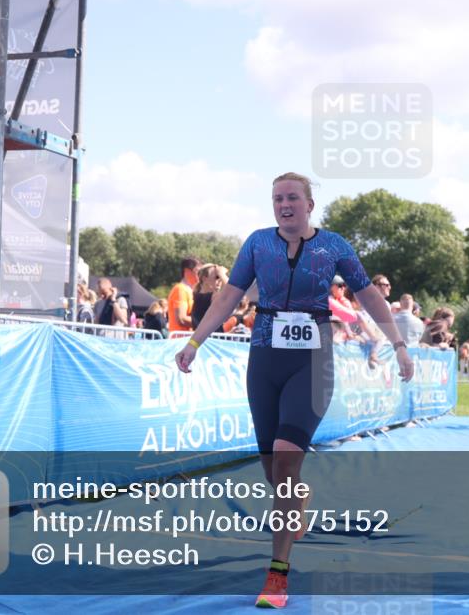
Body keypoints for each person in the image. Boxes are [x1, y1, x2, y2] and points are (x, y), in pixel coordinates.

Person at [174, 172, 413, 609]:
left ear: (309, 204)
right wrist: (195, 341)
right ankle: (299, 495)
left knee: (285, 456)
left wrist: (397, 343)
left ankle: (277, 574)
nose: (283, 205)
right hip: (264, 361)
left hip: (312, 362)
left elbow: (370, 298)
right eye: (276, 198)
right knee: (276, 473)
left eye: (292, 198)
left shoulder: (335, 246)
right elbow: (228, 297)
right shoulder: (257, 243)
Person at [167, 257, 200, 333]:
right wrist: (204, 324)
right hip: (179, 341)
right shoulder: (180, 289)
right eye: (198, 272)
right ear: (187, 271)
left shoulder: (191, 291)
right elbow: (181, 319)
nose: (201, 275)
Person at [192, 263, 228, 330]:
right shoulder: (210, 297)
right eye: (217, 277)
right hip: (212, 339)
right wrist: (222, 274)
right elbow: (232, 290)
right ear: (204, 279)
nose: (220, 280)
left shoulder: (197, 296)